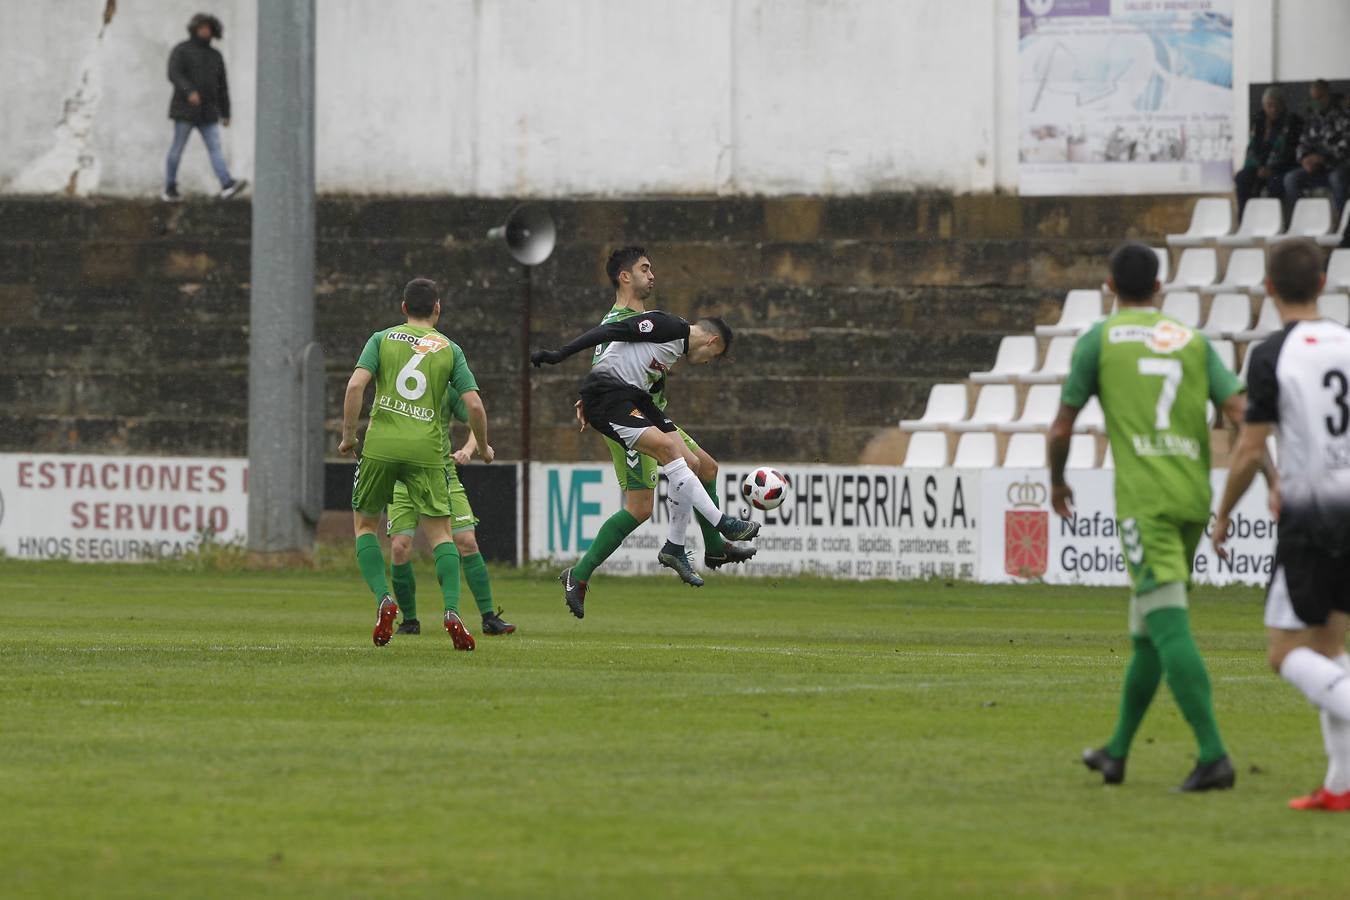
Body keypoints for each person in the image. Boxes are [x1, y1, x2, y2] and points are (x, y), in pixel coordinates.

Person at [1048, 242, 1246, 792]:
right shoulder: (1192, 342)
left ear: (1109, 288)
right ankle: (1116, 752)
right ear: (1160, 288)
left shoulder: (1100, 341)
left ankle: (1213, 756)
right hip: (1191, 498)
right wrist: (1269, 478)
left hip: (1147, 504)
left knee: (1168, 624)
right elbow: (1241, 413)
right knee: (1146, 632)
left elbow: (1061, 429)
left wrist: (1057, 481)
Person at [1214, 238, 1350, 811]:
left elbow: (1249, 447)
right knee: (1329, 647)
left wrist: (1222, 515)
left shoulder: (1272, 354)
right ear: (1322, 283)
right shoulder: (1348, 342)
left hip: (1311, 518)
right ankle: (1340, 788)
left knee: (1284, 654)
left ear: (1268, 288)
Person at [548, 247, 755, 618]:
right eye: (645, 269)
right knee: (641, 508)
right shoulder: (619, 321)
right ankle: (577, 575)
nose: (652, 274)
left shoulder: (650, 322)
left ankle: (714, 547)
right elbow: (604, 363)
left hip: (651, 413)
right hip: (625, 418)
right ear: (624, 276)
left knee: (706, 467)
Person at [339, 278, 492, 650]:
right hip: (427, 451)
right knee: (441, 535)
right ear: (437, 309)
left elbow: (355, 386)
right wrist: (483, 448)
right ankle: (452, 611)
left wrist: (348, 437)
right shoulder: (451, 350)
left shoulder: (381, 338)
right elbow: (473, 405)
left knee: (365, 526)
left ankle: (384, 599)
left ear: (403, 308)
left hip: (381, 445)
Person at [388, 389, 515, 638]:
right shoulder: (396, 386)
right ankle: (410, 621)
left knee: (467, 541)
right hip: (402, 478)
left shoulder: (446, 388)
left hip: (442, 475)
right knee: (399, 547)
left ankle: (489, 618)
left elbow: (475, 420)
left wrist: (469, 448)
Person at [162, 13, 247, 202]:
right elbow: (173, 73)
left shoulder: (215, 56)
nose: (205, 31)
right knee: (177, 148)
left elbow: (222, 86)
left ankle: (227, 184)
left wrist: (226, 113)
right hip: (184, 111)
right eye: (201, 28)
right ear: (194, 29)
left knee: (215, 148)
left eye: (208, 28)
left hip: (208, 112)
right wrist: (188, 91)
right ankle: (169, 188)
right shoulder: (182, 50)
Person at [1283, 80, 1350, 216]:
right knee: (1290, 179)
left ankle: (1344, 225)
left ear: (1328, 95)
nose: (1316, 101)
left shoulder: (1343, 115)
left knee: (1337, 179)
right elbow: (1302, 143)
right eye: (1313, 98)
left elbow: (1345, 146)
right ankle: (1303, 219)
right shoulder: (1312, 118)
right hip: (1315, 169)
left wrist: (1323, 158)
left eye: (1320, 97)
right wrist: (1304, 159)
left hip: (1337, 167)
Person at [1235, 86, 1300, 215]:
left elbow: (1290, 152)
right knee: (1242, 178)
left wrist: (1272, 168)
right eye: (1269, 105)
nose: (1273, 109)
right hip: (1259, 166)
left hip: (1281, 168)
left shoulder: (1292, 122)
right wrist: (1259, 167)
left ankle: (1272, 220)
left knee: (1274, 183)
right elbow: (1252, 149)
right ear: (1264, 106)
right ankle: (1244, 220)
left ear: (1282, 105)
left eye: (1276, 105)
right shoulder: (1259, 122)